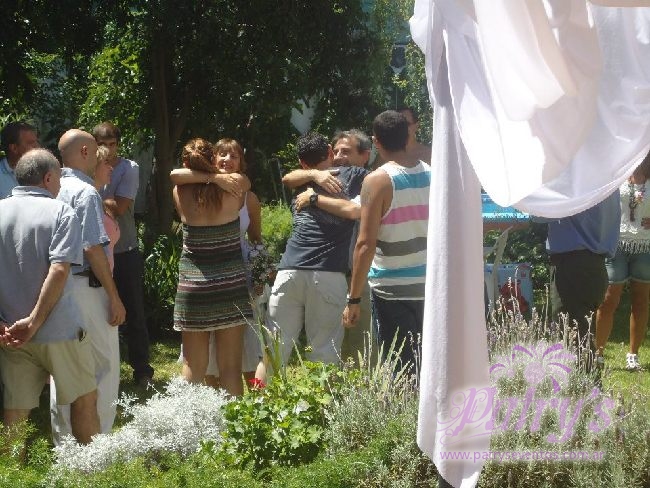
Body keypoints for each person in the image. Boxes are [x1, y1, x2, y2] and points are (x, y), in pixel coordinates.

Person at [0, 149, 99, 444]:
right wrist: (34, 322)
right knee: (85, 400)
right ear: (47, 178)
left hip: (10, 333)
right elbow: (59, 270)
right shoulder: (61, 212)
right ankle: (91, 468)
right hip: (59, 330)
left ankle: (11, 471)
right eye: (58, 178)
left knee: (15, 413)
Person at [50, 129, 126, 445]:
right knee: (104, 366)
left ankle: (64, 445)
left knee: (64, 367)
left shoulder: (50, 188)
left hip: (55, 290)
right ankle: (100, 444)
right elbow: (93, 248)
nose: (100, 157)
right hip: (85, 288)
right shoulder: (86, 192)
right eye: (96, 151)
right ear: (85, 152)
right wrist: (114, 295)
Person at [170, 138, 265, 384]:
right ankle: (234, 412)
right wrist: (217, 178)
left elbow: (176, 175)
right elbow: (245, 181)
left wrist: (209, 177)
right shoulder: (237, 190)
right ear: (212, 160)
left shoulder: (179, 191)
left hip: (193, 287)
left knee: (193, 367)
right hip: (230, 286)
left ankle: (186, 411)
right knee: (230, 368)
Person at [342, 111, 431, 371]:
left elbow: (365, 244)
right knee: (428, 367)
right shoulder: (433, 175)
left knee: (401, 371)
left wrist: (353, 299)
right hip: (429, 285)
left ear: (376, 141)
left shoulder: (377, 181)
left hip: (391, 290)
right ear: (408, 136)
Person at [269, 132, 368, 365]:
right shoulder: (355, 174)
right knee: (324, 354)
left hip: (288, 271)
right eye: (337, 151)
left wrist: (313, 186)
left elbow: (287, 178)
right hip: (327, 273)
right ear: (330, 152)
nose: (341, 156)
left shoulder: (300, 181)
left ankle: (259, 392)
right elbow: (357, 210)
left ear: (302, 162)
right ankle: (319, 392)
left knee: (273, 352)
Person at [93, 122, 154, 387]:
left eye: (112, 144)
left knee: (133, 312)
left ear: (118, 143)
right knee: (98, 312)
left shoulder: (129, 168)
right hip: (95, 253)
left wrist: (91, 198)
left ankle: (142, 370)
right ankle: (103, 372)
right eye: (102, 144)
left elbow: (119, 207)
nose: (108, 149)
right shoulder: (87, 167)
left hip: (124, 250)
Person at [538, 191, 621, 365]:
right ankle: (588, 379)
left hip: (573, 264)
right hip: (595, 264)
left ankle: (584, 381)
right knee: (581, 335)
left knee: (571, 338)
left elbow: (540, 213)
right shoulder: (609, 181)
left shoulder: (576, 181)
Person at [596, 152, 650, 371]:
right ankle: (598, 353)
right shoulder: (617, 172)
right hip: (616, 245)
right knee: (608, 300)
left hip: (645, 247)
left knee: (641, 301)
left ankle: (633, 355)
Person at [95, 145, 120, 274]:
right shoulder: (86, 199)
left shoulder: (96, 199)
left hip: (103, 278)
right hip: (91, 280)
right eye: (105, 163)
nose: (111, 168)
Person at [0, 121, 40, 198]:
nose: (37, 146)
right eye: (31, 143)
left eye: (37, 141)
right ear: (14, 148)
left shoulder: (43, 171)